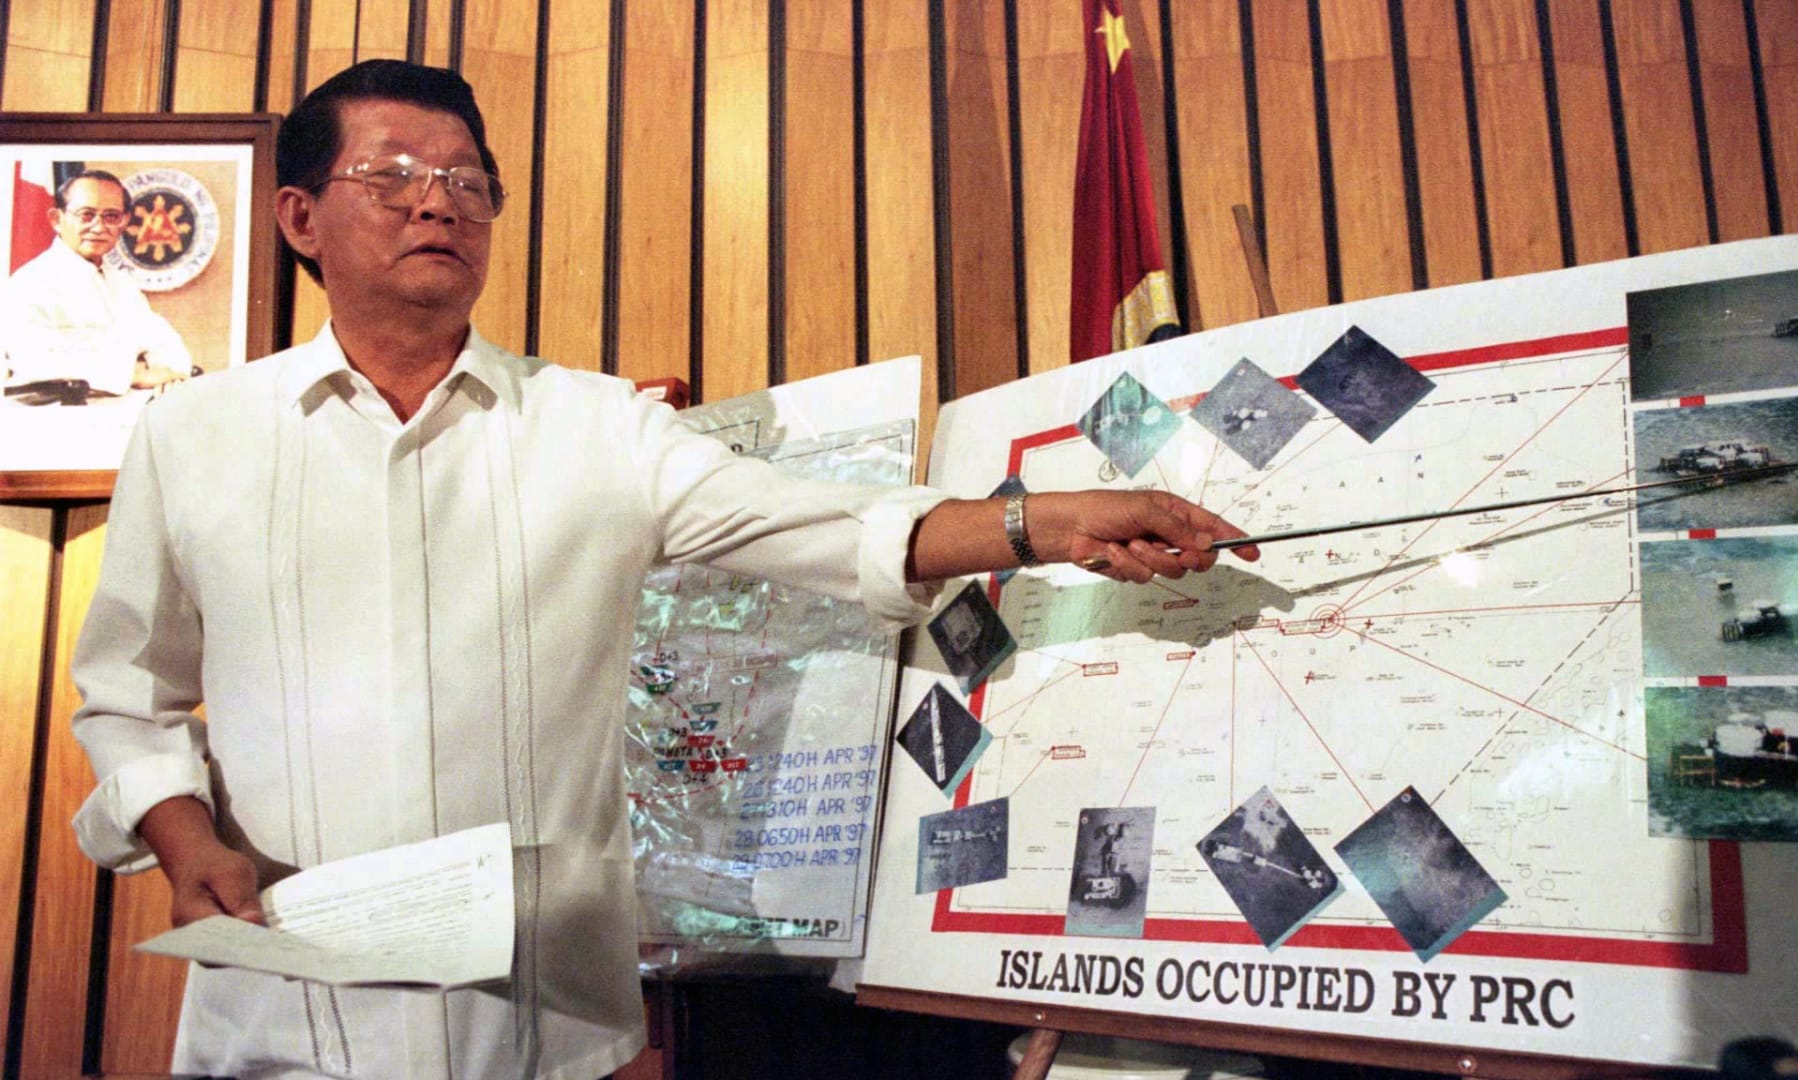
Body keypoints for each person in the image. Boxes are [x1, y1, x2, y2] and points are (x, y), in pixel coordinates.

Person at [68, 59, 1256, 1079]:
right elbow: (129, 695)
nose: (439, 204)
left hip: (540, 1030)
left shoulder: (596, 427)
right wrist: (185, 840)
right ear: (299, 216)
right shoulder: (194, 434)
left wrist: (1040, 523)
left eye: (468, 183)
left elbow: (827, 527)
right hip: (281, 1021)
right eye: (393, 177)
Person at [1, 169, 191, 400]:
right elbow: (33, 360)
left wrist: (169, 373)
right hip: (57, 418)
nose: (99, 227)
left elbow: (163, 341)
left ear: (124, 221)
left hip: (131, 412)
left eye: (111, 216)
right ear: (57, 220)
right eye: (86, 215)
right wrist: (133, 374)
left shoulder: (123, 285)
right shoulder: (30, 284)